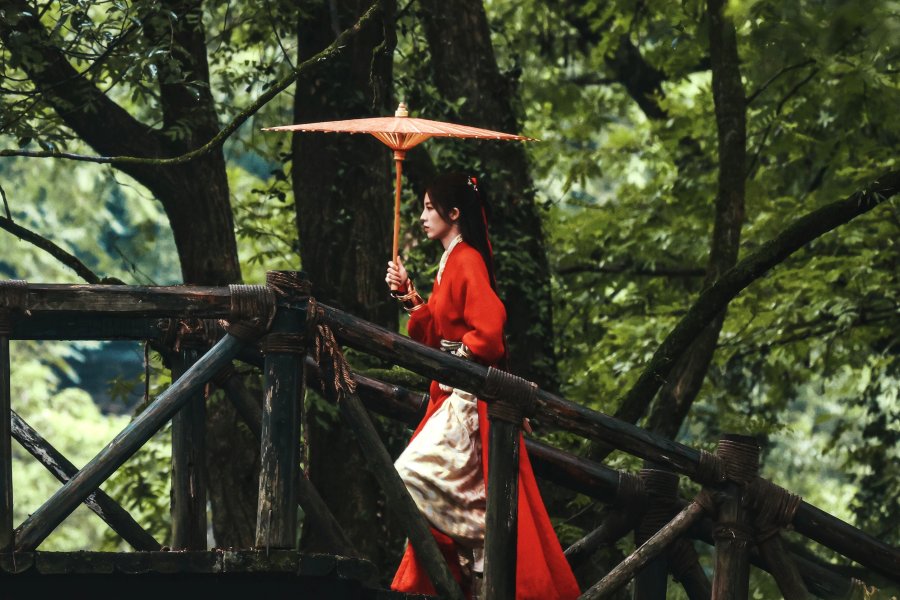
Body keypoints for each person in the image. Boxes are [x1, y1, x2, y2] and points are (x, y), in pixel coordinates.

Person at [385, 173, 580, 599]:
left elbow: (489, 333)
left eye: (430, 208)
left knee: (409, 473)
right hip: (451, 394)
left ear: (454, 213)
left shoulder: (467, 259)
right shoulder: (450, 260)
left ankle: (482, 540)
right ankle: (478, 552)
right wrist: (408, 295)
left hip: (468, 401)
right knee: (421, 480)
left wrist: (458, 361)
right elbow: (436, 333)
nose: (422, 217)